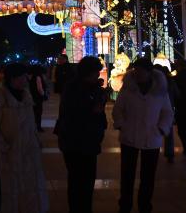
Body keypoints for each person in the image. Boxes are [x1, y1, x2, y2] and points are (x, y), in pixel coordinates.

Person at [113, 58, 173, 213]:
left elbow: (167, 111)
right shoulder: (128, 89)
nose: (138, 74)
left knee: (148, 175)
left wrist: (162, 129)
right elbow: (118, 109)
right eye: (136, 71)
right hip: (129, 136)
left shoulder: (160, 90)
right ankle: (125, 204)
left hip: (152, 137)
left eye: (141, 71)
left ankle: (145, 205)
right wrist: (121, 124)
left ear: (149, 72)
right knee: (127, 174)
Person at [0, 63, 48, 213]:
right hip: (9, 153)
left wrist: (36, 140)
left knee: (29, 188)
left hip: (29, 151)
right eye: (21, 77)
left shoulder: (26, 95)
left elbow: (31, 122)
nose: (25, 80)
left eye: (25, 76)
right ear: (11, 78)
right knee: (10, 190)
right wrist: (3, 147)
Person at [56, 56, 108, 213]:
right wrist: (95, 108)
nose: (98, 75)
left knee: (84, 180)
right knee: (78, 179)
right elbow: (75, 114)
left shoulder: (88, 87)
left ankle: (83, 207)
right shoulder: (75, 89)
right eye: (96, 72)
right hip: (76, 140)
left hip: (87, 140)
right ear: (88, 72)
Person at [153, 63, 178, 163]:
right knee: (168, 132)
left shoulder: (151, 82)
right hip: (169, 108)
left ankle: (153, 150)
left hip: (154, 109)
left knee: (154, 131)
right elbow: (177, 94)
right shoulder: (170, 81)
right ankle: (169, 153)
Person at [28, 65, 47, 132]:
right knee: (38, 112)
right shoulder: (38, 77)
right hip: (38, 97)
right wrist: (43, 94)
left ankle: (33, 126)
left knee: (33, 112)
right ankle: (38, 127)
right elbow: (39, 88)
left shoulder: (30, 77)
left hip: (32, 96)